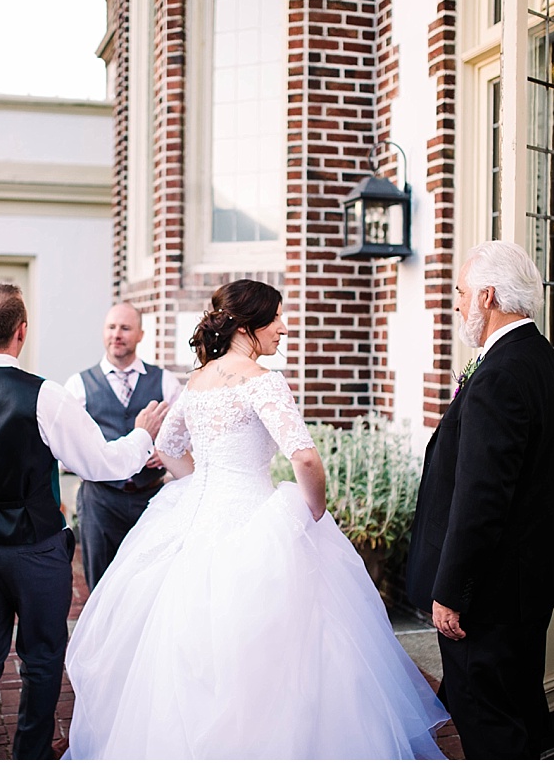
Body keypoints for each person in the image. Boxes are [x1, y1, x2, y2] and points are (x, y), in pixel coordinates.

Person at [63, 279, 449, 760]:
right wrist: (312, 510)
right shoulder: (262, 380)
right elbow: (305, 459)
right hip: (253, 517)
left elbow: (167, 449)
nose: (284, 329)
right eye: (277, 319)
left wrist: (194, 484)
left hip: (193, 520)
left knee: (185, 647)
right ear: (248, 325)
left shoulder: (197, 380)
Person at [0, 283, 168, 760]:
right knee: (43, 656)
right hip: (34, 548)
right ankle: (30, 754)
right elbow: (100, 465)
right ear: (21, 332)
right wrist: (140, 436)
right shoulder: (45, 396)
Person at [404, 240, 554, 759]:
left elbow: (483, 496)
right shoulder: (541, 360)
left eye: (460, 292)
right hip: (524, 585)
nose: (457, 303)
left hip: (490, 594)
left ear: (488, 295)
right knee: (519, 707)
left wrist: (453, 591)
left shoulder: (501, 373)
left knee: (488, 724)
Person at [63, 303, 183, 590]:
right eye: (111, 327)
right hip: (100, 500)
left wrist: (166, 454)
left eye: (125, 328)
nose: (117, 334)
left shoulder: (165, 382)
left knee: (150, 581)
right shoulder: (78, 385)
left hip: (152, 498)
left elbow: (185, 434)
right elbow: (66, 449)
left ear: (141, 334)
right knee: (101, 582)